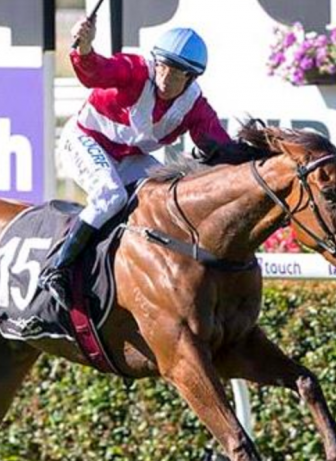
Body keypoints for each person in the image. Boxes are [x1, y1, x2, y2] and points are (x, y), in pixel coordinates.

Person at [39, 17, 233, 310]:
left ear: (191, 78)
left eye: (176, 72)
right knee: (111, 195)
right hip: (85, 139)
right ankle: (58, 269)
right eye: (163, 66)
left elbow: (222, 148)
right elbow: (96, 72)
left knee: (164, 195)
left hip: (128, 156)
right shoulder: (135, 70)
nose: (165, 77)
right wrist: (85, 47)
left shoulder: (195, 107)